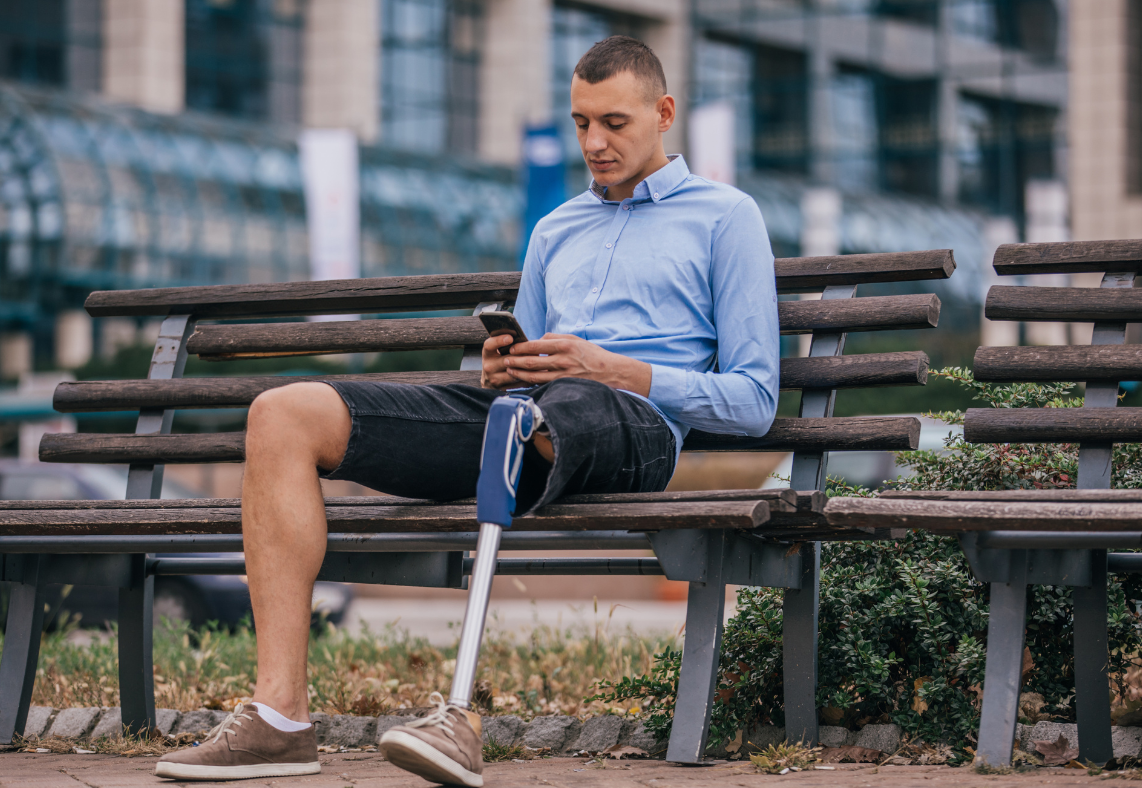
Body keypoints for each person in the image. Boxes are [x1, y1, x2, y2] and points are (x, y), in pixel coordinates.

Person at [154, 35, 779, 784]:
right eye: (581, 123)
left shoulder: (726, 216)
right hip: (534, 415)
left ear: (664, 112)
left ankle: (458, 716)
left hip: (635, 427)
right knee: (283, 413)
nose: (593, 142)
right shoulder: (556, 229)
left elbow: (755, 399)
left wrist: (621, 370)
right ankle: (280, 718)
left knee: (537, 412)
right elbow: (533, 366)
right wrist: (501, 364)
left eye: (614, 122)